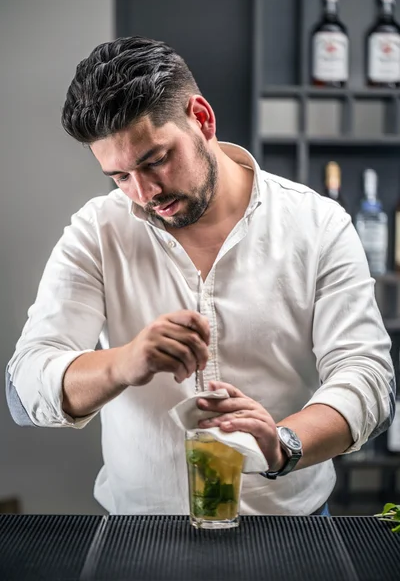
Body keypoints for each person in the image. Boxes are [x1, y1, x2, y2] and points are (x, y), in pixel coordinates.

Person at [6, 36, 395, 516]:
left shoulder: (319, 224)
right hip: (139, 536)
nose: (145, 191)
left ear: (202, 119)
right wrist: (123, 363)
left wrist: (284, 444)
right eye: (120, 177)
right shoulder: (97, 230)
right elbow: (24, 389)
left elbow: (369, 376)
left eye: (155, 160)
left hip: (291, 531)